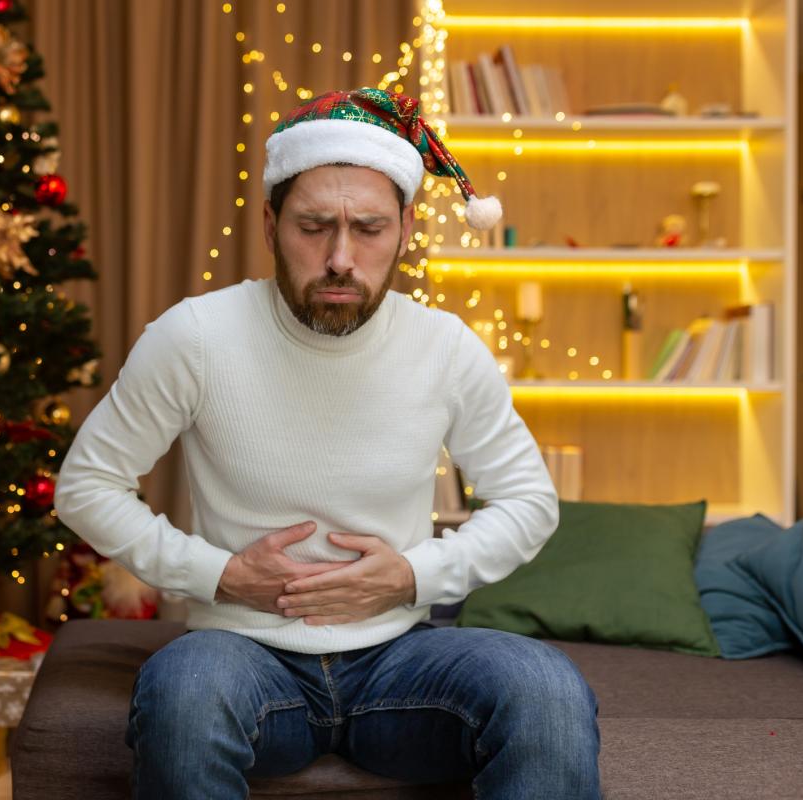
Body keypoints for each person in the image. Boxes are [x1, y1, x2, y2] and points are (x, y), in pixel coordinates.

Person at [53, 87, 601, 799]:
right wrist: (216, 573)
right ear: (271, 223)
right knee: (183, 690)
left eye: (368, 229)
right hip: (242, 654)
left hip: (401, 661)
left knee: (546, 688)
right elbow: (86, 485)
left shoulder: (445, 347)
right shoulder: (193, 337)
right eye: (314, 227)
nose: (341, 257)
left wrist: (413, 575)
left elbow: (530, 501)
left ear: (406, 228)